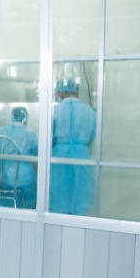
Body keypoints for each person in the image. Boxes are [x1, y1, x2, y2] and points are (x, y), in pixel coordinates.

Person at [49, 78, 96, 215]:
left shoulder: (55, 110)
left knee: (58, 194)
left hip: (59, 155)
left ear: (62, 91)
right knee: (80, 195)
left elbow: (49, 137)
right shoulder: (88, 111)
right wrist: (81, 146)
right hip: (81, 154)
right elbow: (92, 136)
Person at [0, 107, 38, 209]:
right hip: (24, 177)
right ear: (25, 119)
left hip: (3, 176)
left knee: (6, 204)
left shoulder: (1, 132)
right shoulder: (31, 135)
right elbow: (38, 154)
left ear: (11, 117)